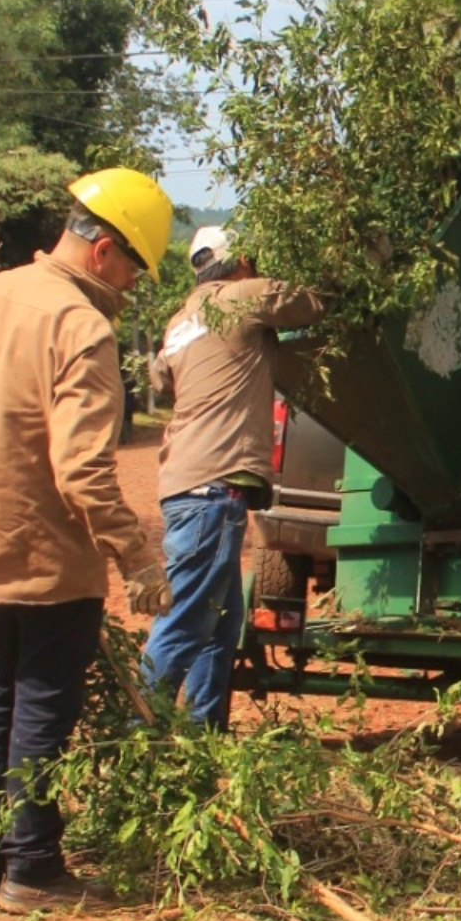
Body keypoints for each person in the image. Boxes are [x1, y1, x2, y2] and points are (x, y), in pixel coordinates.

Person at [0, 167, 176, 915]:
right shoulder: (80, 326)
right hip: (46, 552)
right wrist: (138, 557)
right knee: (41, 703)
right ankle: (32, 869)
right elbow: (85, 472)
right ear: (103, 251)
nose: (131, 285)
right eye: (134, 267)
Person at [142, 225, 322, 729]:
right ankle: (135, 732)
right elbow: (313, 302)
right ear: (241, 260)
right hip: (212, 485)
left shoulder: (181, 319)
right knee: (188, 618)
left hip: (186, 482)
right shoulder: (243, 296)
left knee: (220, 624)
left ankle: (205, 735)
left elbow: (160, 377)